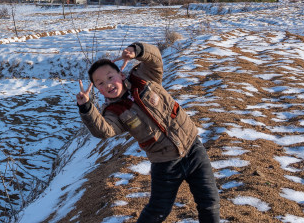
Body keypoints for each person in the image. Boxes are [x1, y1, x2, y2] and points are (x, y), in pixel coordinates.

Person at [76, 42, 220, 223]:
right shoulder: (113, 111)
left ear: (121, 74)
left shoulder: (143, 77)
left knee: (209, 203)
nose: (108, 84)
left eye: (110, 77)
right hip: (164, 163)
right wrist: (86, 108)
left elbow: (155, 59)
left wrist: (136, 51)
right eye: (101, 83)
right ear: (98, 90)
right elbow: (105, 130)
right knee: (157, 211)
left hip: (193, 149)